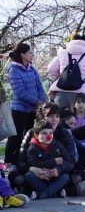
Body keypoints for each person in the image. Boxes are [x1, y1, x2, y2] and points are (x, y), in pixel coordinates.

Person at [5, 41, 46, 173]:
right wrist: (36, 101)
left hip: (33, 109)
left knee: (30, 136)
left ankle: (24, 160)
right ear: (22, 54)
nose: (32, 55)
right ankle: (9, 162)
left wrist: (42, 101)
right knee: (16, 136)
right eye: (29, 52)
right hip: (19, 108)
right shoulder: (13, 69)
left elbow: (39, 86)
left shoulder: (32, 68)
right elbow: (19, 92)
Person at [46, 34, 85, 111]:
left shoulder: (63, 53)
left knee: (61, 120)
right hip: (82, 95)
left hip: (61, 93)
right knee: (84, 122)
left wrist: (63, 76)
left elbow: (50, 69)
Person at [25, 121, 72, 199]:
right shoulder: (32, 148)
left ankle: (42, 194)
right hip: (41, 176)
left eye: (51, 133)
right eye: (44, 133)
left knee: (65, 177)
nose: (49, 136)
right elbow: (34, 163)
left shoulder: (58, 145)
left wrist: (59, 169)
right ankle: (55, 193)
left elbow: (67, 160)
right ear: (36, 135)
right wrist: (53, 162)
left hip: (54, 176)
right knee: (28, 176)